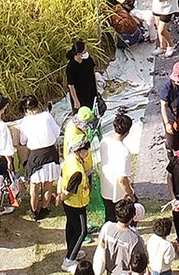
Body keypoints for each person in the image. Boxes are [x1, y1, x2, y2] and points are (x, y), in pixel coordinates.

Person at [17, 97, 61, 219]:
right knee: (48, 185)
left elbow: (22, 140)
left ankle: (33, 211)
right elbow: (57, 132)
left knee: (34, 186)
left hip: (36, 155)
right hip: (51, 154)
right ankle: (44, 209)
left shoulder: (25, 122)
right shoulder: (47, 116)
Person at [57, 134, 93, 272]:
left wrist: (59, 194)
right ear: (78, 150)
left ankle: (72, 251)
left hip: (70, 204)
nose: (88, 152)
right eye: (86, 150)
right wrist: (61, 197)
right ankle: (69, 260)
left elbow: (61, 176)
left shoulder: (70, 158)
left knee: (71, 227)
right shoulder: (76, 171)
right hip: (76, 204)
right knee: (81, 231)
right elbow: (70, 192)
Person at [97, 112, 134, 223]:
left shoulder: (104, 142)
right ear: (127, 132)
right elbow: (122, 179)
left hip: (105, 187)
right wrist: (130, 193)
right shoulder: (124, 152)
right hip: (118, 193)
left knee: (109, 216)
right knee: (120, 219)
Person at [93, 200, 144, 275]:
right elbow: (139, 264)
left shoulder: (107, 228)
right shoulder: (135, 239)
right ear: (133, 216)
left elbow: (101, 251)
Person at [66, 40, 98, 113]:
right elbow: (71, 86)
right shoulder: (71, 67)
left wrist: (96, 89)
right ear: (78, 54)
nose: (86, 53)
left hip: (91, 91)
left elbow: (93, 73)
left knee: (94, 112)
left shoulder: (88, 60)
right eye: (84, 52)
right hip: (80, 95)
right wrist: (76, 101)